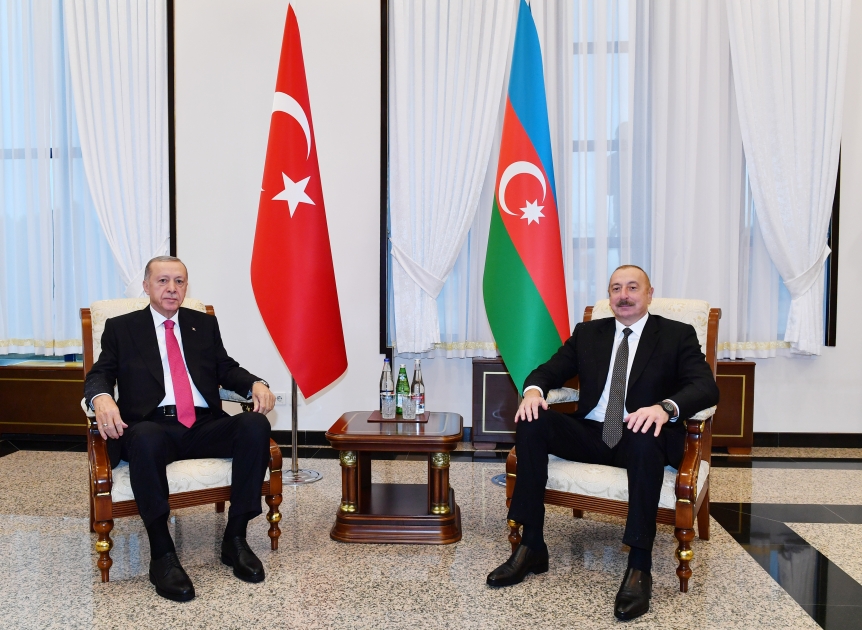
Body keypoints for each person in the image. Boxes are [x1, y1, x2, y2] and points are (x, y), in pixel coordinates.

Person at [486, 265, 719, 621]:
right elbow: (547, 371)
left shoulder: (676, 334)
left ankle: (639, 566)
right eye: (616, 288)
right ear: (609, 297)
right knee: (533, 420)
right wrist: (533, 392)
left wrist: (664, 408)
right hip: (593, 432)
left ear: (649, 293)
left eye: (632, 287)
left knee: (643, 434)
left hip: (642, 438)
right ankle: (531, 546)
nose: (624, 295)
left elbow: (705, 386)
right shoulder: (589, 333)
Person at [85, 256, 276, 602]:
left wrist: (255, 383)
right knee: (144, 437)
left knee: (254, 424)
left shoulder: (202, 324)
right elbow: (101, 372)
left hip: (203, 425)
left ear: (186, 287)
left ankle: (235, 538)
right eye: (163, 281)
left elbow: (225, 368)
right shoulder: (122, 327)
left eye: (179, 281)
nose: (172, 288)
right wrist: (101, 397)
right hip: (153, 427)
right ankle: (162, 554)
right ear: (146, 286)